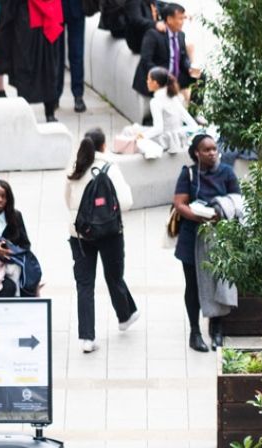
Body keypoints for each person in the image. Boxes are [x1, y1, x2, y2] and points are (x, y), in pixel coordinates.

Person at [66, 131, 140, 353]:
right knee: (114, 276)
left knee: (85, 285)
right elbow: (127, 202)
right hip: (110, 233)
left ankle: (87, 338)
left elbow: (67, 200)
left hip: (79, 234)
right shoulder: (110, 167)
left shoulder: (74, 166)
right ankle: (125, 316)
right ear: (104, 145)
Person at [171, 135, 241, 353]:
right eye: (207, 150)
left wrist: (219, 212)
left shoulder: (227, 172)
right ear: (196, 153)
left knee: (219, 281)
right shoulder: (188, 174)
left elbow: (237, 201)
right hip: (192, 236)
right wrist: (196, 216)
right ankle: (195, 332)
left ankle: (217, 328)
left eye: (214, 149)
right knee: (192, 285)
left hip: (220, 236)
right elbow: (179, 203)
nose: (212, 153)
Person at [0, 0, 66, 123]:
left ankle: (49, 111)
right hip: (26, 18)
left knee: (48, 66)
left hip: (44, 17)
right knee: (25, 64)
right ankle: (27, 110)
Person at [136, 4, 197, 123]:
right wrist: (162, 75)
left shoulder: (180, 35)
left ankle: (194, 112)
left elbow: (183, 58)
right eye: (180, 18)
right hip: (160, 76)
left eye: (184, 18)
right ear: (169, 19)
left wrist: (189, 68)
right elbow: (146, 60)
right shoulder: (153, 34)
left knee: (199, 77)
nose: (182, 22)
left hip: (174, 76)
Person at [119, 69, 194, 159]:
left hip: (164, 139)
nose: (147, 82)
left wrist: (143, 136)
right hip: (176, 137)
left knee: (128, 131)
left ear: (156, 83)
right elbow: (189, 120)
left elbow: (159, 128)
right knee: (135, 129)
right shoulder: (175, 97)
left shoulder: (156, 101)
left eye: (149, 79)